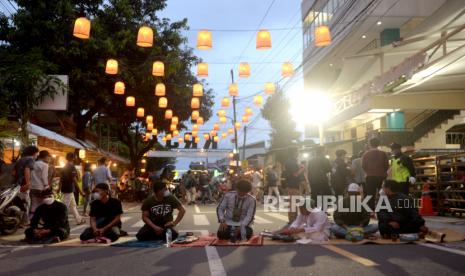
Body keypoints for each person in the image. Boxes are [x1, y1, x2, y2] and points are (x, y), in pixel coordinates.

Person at [14, 145, 39, 226]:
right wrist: (27, 183)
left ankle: (18, 222)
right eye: (37, 153)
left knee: (19, 203)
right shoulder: (30, 159)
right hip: (24, 184)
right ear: (34, 153)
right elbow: (27, 169)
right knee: (25, 203)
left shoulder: (20, 160)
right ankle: (24, 222)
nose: (37, 155)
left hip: (17, 184)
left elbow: (13, 172)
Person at [362, 138, 389, 210]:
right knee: (382, 193)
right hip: (381, 176)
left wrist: (368, 172)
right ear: (378, 144)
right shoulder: (383, 153)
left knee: (370, 194)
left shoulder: (366, 154)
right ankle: (382, 209)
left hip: (370, 176)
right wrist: (382, 171)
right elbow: (386, 165)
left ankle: (371, 210)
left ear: (370, 144)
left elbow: (363, 166)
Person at [60, 153, 85, 225]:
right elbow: (74, 179)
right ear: (73, 158)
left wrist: (59, 187)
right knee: (65, 206)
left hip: (65, 187)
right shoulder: (72, 167)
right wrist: (80, 191)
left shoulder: (65, 166)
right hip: (69, 188)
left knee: (73, 205)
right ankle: (60, 221)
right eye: (76, 157)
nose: (76, 158)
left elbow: (61, 178)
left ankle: (79, 220)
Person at [283, 147, 305, 223]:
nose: (298, 153)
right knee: (293, 204)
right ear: (294, 152)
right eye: (297, 151)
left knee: (294, 203)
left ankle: (293, 220)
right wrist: (302, 169)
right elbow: (295, 174)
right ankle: (292, 221)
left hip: (293, 184)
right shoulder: (291, 162)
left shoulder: (291, 161)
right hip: (292, 185)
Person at [29, 150, 51, 219]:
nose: (49, 159)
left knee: (34, 204)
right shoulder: (45, 165)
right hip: (40, 188)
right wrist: (47, 186)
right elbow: (44, 177)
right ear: (46, 157)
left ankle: (31, 219)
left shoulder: (33, 163)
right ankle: (42, 219)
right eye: (48, 157)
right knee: (43, 204)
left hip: (32, 187)